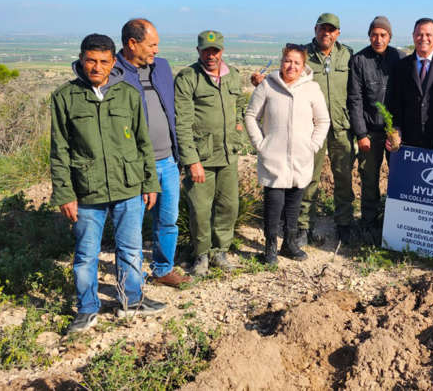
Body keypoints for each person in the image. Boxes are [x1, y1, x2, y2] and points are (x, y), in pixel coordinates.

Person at [51, 34, 165, 333]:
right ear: (81, 59)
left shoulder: (128, 94)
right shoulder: (65, 97)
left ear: (113, 61)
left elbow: (143, 142)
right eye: (91, 60)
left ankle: (133, 300)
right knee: (86, 253)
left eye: (103, 61)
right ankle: (87, 308)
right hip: (87, 191)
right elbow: (59, 150)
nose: (96, 67)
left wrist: (149, 183)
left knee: (131, 248)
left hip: (128, 187)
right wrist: (65, 193)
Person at [253, 14, 355, 245]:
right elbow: (283, 75)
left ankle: (345, 224)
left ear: (338, 33)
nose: (326, 33)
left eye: (331, 30)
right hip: (309, 128)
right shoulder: (304, 55)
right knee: (309, 178)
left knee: (344, 176)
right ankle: (302, 227)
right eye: (322, 29)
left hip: (340, 124)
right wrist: (260, 81)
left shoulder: (347, 55)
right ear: (316, 29)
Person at [114, 18, 191, 287]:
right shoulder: (113, 74)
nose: (156, 50)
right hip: (133, 166)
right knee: (131, 228)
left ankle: (162, 270)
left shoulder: (162, 68)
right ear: (132, 44)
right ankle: (130, 285)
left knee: (168, 220)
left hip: (167, 160)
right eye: (152, 44)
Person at [245, 44, 330, 263]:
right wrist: (260, 144)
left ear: (304, 66)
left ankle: (289, 244)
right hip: (273, 157)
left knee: (294, 205)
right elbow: (251, 116)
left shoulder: (312, 89)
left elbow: (323, 121)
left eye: (296, 63)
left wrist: (313, 145)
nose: (291, 66)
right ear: (281, 62)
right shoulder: (267, 86)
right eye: (287, 61)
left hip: (301, 157)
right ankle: (270, 246)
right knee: (274, 204)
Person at [174, 31, 247, 276]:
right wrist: (191, 160)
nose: (211, 55)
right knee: (200, 209)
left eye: (215, 51)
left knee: (228, 206)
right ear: (198, 51)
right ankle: (201, 254)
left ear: (222, 51)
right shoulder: (188, 78)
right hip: (201, 157)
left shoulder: (233, 75)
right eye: (206, 50)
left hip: (228, 154)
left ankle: (220, 251)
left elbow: (237, 106)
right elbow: (182, 124)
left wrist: (238, 125)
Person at [347, 16, 405, 243]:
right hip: (370, 131)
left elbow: (405, 97)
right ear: (369, 35)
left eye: (383, 35)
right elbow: (355, 99)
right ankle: (369, 221)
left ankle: (395, 222)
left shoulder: (399, 58)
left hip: (394, 132)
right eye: (374, 35)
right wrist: (361, 133)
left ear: (390, 37)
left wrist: (399, 130)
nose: (378, 39)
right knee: (369, 178)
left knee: (398, 178)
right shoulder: (359, 60)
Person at [387, 17, 433, 151]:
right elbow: (396, 103)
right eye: (419, 34)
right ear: (413, 36)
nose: (423, 38)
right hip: (408, 141)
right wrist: (396, 131)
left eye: (428, 34)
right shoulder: (401, 66)